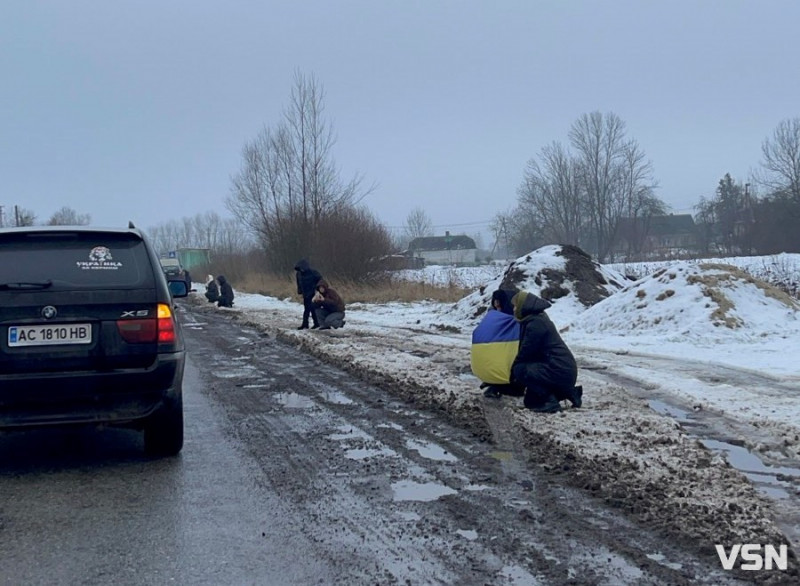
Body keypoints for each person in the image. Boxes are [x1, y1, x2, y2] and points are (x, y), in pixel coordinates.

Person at [509, 290, 583, 413]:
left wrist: (513, 372)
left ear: (524, 306)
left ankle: (551, 401)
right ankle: (571, 393)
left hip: (559, 369)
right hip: (562, 371)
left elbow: (526, 352)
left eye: (516, 306)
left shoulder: (536, 323)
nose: (514, 309)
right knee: (530, 402)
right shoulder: (536, 319)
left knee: (520, 369)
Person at [471, 289, 523, 399]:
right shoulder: (511, 321)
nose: (496, 305)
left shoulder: (492, 318)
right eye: (495, 302)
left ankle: (495, 384)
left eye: (498, 302)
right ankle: (499, 385)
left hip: (489, 372)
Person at [294, 259, 322, 329]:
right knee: (308, 309)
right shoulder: (298, 274)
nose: (301, 270)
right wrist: (299, 290)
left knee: (311, 309)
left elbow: (321, 280)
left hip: (313, 293)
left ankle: (312, 324)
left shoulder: (313, 273)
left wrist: (318, 290)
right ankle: (308, 324)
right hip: (305, 294)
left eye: (302, 268)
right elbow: (299, 283)